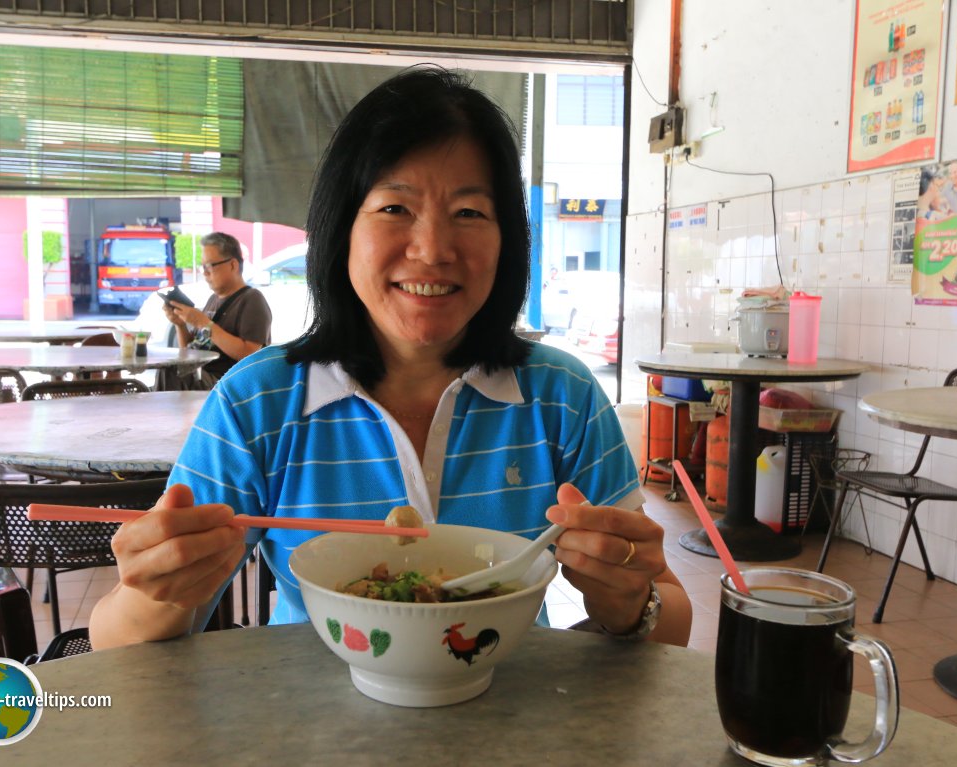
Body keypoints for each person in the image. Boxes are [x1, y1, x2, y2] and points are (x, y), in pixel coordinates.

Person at [90, 67, 692, 650]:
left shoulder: (563, 395)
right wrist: (157, 592)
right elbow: (115, 641)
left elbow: (670, 618)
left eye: (469, 213)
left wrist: (630, 599)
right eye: (394, 209)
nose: (432, 250)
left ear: (508, 240)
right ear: (341, 229)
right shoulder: (258, 401)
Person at [156, 231, 273, 390]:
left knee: (172, 371)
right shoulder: (213, 300)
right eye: (202, 267)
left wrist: (206, 325)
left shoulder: (252, 300)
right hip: (202, 375)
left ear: (233, 265)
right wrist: (180, 324)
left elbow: (250, 354)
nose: (205, 273)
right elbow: (190, 352)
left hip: (229, 384)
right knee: (172, 365)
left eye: (210, 265)